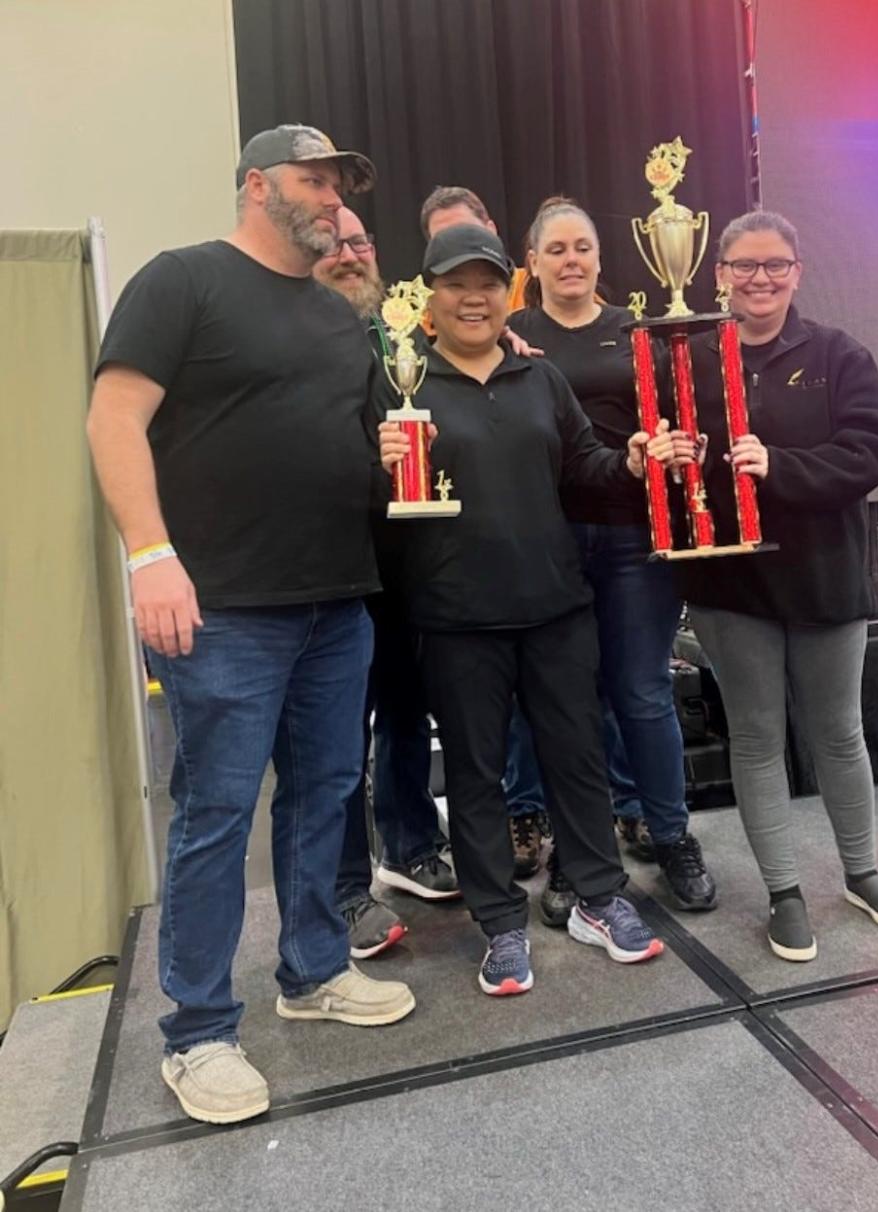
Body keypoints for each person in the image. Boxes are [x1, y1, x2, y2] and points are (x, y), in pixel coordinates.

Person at [86, 125, 415, 1126]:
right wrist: (150, 554)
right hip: (221, 608)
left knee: (324, 795)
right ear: (256, 184)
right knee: (216, 815)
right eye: (312, 180)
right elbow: (112, 419)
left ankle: (313, 972)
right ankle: (196, 1032)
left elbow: (338, 449)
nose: (329, 199)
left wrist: (398, 451)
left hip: (334, 601)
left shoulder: (334, 316)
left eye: (340, 186)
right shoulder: (182, 281)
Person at [376, 223, 670, 996]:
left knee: (576, 759)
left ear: (509, 293)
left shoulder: (542, 381)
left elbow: (587, 470)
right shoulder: (400, 384)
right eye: (454, 285)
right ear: (429, 301)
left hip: (555, 606)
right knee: (475, 777)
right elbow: (375, 505)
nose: (472, 299)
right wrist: (378, 469)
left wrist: (631, 464)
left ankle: (598, 899)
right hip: (455, 617)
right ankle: (501, 926)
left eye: (486, 284)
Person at [671, 209, 878, 962]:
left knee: (839, 733)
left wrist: (784, 467)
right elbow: (676, 461)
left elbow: (875, 448)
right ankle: (783, 891)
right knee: (755, 738)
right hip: (732, 582)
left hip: (826, 577)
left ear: (797, 273)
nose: (760, 279)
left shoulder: (839, 354)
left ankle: (861, 871)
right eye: (745, 266)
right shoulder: (692, 362)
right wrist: (669, 453)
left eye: (775, 264)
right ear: (719, 275)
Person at [507, 197, 719, 915]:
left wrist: (681, 450)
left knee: (643, 692)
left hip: (633, 536)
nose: (571, 261)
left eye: (582, 248)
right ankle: (581, 848)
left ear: (601, 258)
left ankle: (671, 835)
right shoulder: (509, 336)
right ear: (531, 261)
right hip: (550, 541)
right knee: (568, 705)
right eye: (556, 249)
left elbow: (677, 419)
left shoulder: (635, 333)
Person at [313, 209, 459, 963]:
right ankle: (340, 889)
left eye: (361, 242)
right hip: (328, 566)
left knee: (406, 711)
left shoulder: (402, 334)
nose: (348, 254)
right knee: (336, 737)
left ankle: (408, 846)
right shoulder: (291, 336)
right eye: (332, 243)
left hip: (405, 563)